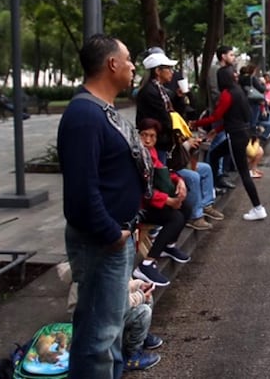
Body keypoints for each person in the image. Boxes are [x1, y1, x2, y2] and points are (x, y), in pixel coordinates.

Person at [59, 35, 159, 376]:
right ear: (111, 64)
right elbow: (81, 192)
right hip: (102, 241)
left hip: (117, 236)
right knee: (98, 337)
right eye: (128, 58)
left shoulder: (102, 110)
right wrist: (111, 233)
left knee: (111, 330)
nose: (133, 66)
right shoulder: (84, 115)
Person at [193, 46, 267, 221]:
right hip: (240, 132)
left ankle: (258, 207)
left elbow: (217, 116)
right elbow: (232, 118)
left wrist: (195, 123)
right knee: (215, 154)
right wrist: (216, 130)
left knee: (243, 173)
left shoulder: (227, 94)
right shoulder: (238, 92)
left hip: (236, 137)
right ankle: (211, 190)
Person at [134, 119, 190, 286]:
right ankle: (146, 264)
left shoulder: (152, 153)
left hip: (152, 201)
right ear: (138, 135)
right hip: (138, 207)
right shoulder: (137, 156)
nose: (148, 140)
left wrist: (180, 182)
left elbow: (163, 172)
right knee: (175, 217)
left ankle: (168, 245)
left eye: (152, 136)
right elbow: (144, 190)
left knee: (186, 207)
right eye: (144, 135)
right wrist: (168, 201)